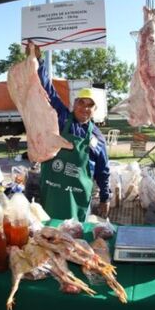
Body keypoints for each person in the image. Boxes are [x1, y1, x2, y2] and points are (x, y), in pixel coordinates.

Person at [35, 44, 111, 221]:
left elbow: (103, 170)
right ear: (74, 104)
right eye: (81, 103)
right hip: (52, 194)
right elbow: (48, 90)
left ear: (94, 110)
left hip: (78, 200)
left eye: (89, 105)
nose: (84, 108)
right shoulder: (60, 118)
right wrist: (38, 61)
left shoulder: (98, 138)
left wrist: (105, 198)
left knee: (74, 239)